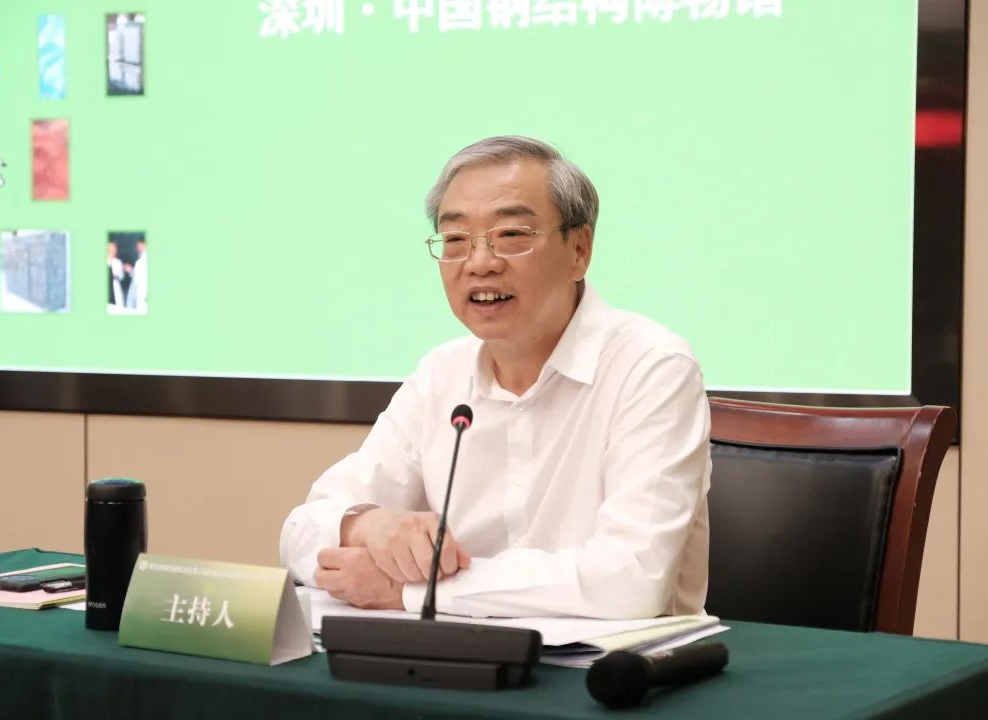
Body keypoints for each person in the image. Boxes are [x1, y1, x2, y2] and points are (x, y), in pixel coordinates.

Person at [280, 136, 711, 620]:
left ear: (579, 250)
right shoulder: (441, 376)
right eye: (456, 240)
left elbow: (630, 581)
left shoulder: (651, 367)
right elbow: (299, 533)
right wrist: (366, 526)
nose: (480, 263)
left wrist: (412, 592)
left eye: (510, 235)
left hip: (615, 663)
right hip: (455, 655)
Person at [124, 238, 148, 312]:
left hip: (143, 296)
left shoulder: (142, 261)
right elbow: (138, 277)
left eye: (138, 245)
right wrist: (131, 270)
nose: (137, 247)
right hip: (139, 295)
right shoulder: (140, 261)